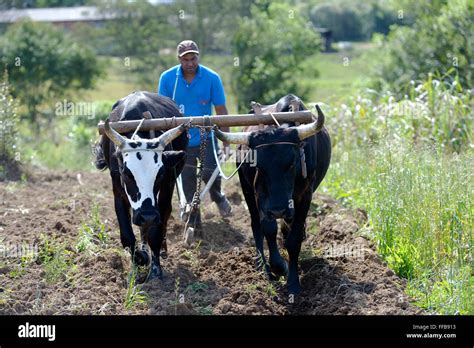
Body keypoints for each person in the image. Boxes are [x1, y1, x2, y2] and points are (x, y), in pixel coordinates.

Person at [158, 40, 232, 228]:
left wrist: (226, 140)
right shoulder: (167, 79)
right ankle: (193, 217)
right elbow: (162, 111)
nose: (190, 63)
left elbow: (221, 110)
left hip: (206, 137)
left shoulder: (211, 77)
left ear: (198, 56)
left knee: (210, 172)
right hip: (181, 140)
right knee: (187, 175)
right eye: (185, 60)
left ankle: (217, 196)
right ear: (179, 60)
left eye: (193, 58)